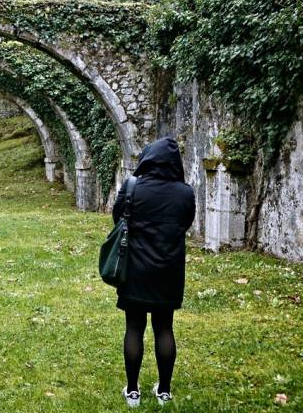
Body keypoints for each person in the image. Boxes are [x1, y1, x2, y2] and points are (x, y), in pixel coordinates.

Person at [113, 137, 195, 407]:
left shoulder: (133, 187)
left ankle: (133, 391)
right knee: (164, 328)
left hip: (135, 268)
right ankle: (164, 391)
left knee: (134, 327)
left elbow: (118, 217)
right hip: (168, 269)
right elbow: (186, 222)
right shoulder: (185, 193)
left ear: (147, 159)